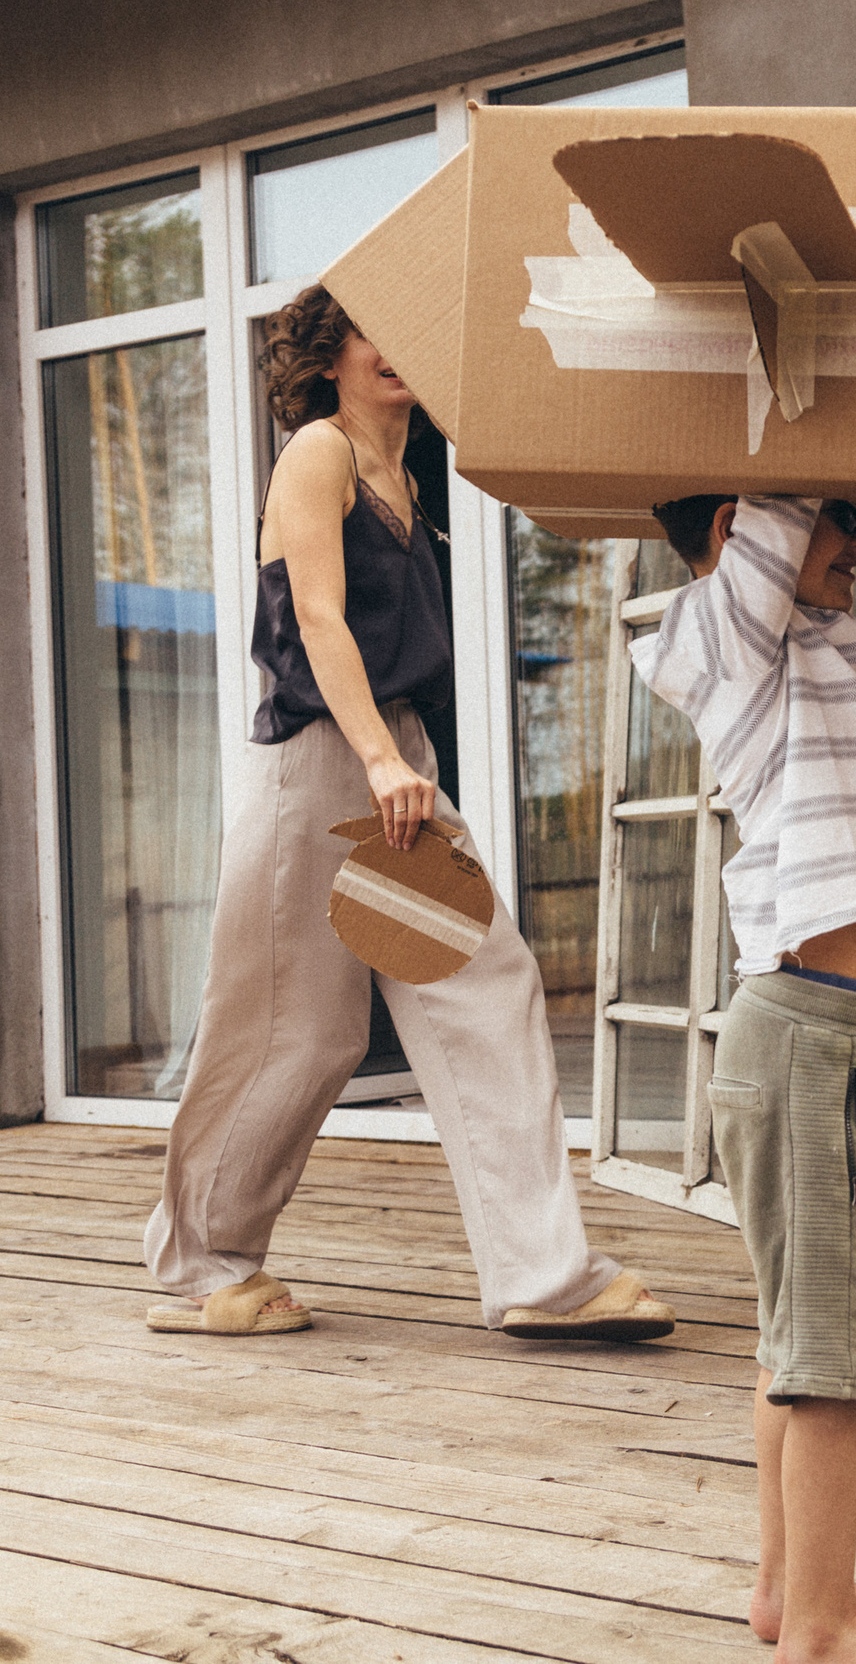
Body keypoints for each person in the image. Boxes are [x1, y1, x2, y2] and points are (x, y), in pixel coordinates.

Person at [140, 284, 673, 1345]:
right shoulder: (318, 454)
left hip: (393, 759)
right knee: (298, 1030)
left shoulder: (406, 478)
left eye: (412, 333)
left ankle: (544, 1274)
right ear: (331, 354)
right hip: (323, 766)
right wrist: (381, 760)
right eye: (371, 332)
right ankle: (205, 1265)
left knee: (485, 989)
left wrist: (400, 757)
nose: (395, 355)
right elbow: (317, 615)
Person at [633, 495, 856, 1664]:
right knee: (836, 1347)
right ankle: (820, 1631)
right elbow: (774, 486)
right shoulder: (726, 639)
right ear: (744, 530)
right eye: (837, 526)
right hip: (816, 1040)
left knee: (794, 1339)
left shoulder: (804, 655)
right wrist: (799, 469)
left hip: (828, 1038)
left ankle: (793, 1588)